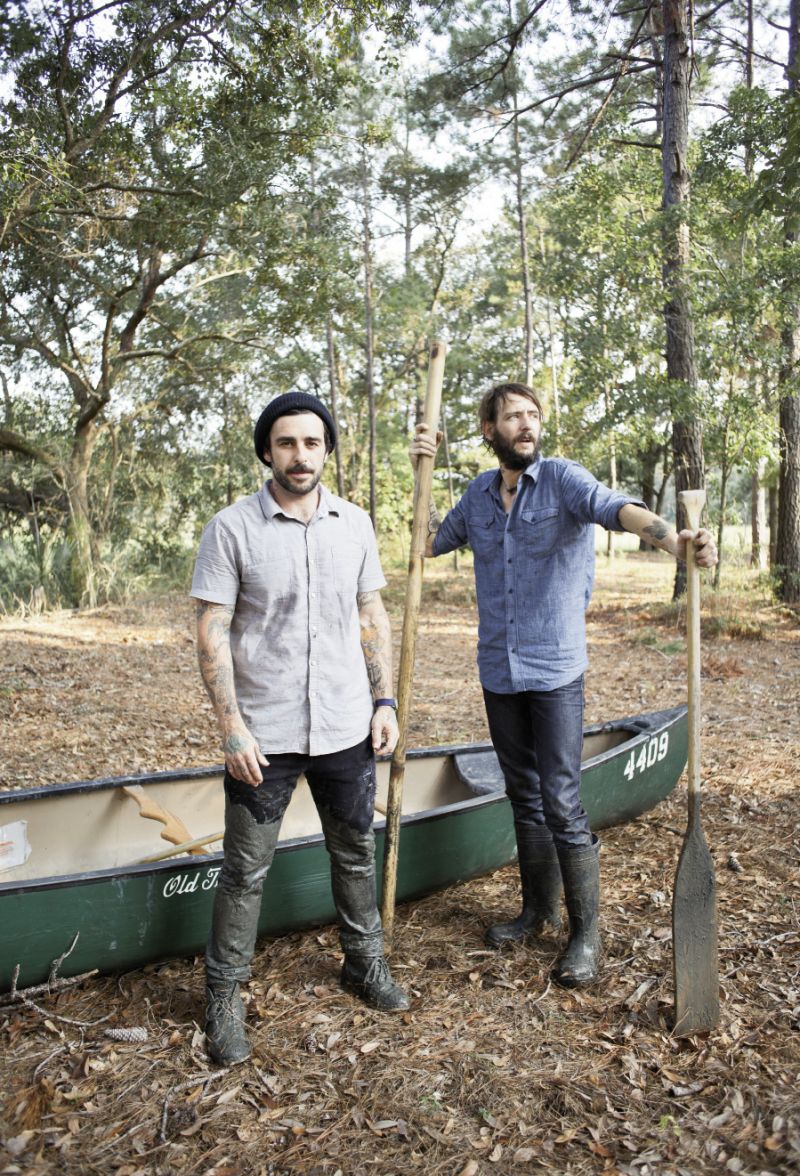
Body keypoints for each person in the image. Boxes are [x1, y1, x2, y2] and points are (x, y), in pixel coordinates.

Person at [410, 382, 717, 989]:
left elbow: (617, 508)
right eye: (512, 416)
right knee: (522, 793)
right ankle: (537, 909)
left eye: (532, 415)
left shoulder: (563, 481)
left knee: (560, 799)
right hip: (498, 669)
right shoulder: (475, 496)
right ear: (489, 431)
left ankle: (585, 934)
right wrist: (419, 467)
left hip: (554, 672)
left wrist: (672, 539)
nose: (525, 424)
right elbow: (422, 546)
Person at [191, 391, 408, 1067]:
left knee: (353, 853)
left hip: (347, 722)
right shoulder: (232, 529)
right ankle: (224, 998)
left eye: (312, 442)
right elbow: (211, 627)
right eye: (286, 443)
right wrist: (232, 727)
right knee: (244, 871)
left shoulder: (354, 525)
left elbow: (371, 612)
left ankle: (363, 963)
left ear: (327, 449)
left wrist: (385, 701)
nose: (300, 455)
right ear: (266, 451)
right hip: (266, 735)